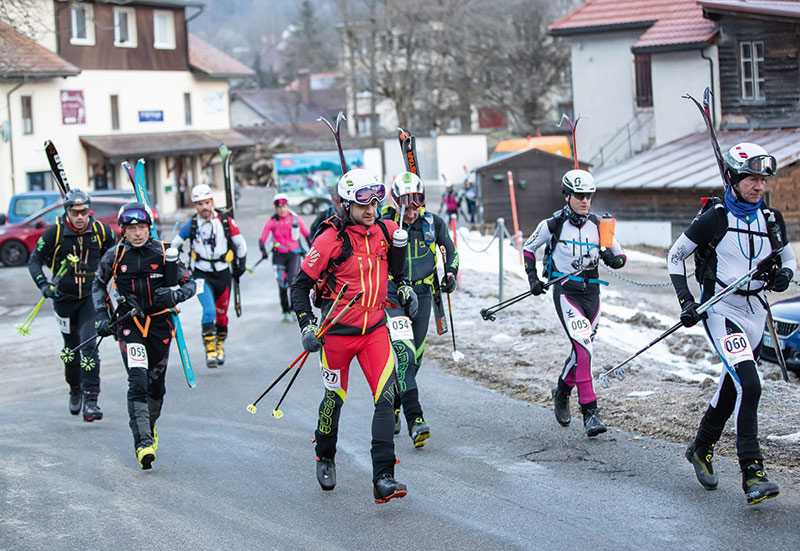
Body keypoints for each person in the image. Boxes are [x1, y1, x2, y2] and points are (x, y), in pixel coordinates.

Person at [666, 142, 795, 505]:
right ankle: (753, 472)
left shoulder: (771, 219)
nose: (759, 186)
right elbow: (675, 256)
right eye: (751, 178)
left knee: (731, 386)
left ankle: (701, 447)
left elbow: (789, 258)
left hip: (756, 312)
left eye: (763, 179)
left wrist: (783, 274)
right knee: (750, 385)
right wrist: (687, 301)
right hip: (721, 311)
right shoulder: (716, 216)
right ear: (733, 179)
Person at [290, 168, 416, 503]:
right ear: (346, 205)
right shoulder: (329, 240)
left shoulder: (388, 231)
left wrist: (404, 287)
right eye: (363, 204)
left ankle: (383, 477)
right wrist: (307, 327)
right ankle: (325, 454)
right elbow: (299, 288)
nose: (371, 209)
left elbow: (398, 270)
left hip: (374, 330)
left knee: (386, 398)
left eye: (375, 201)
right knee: (334, 398)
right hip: (337, 337)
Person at [522, 169, 626, 437]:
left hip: (593, 294)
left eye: (589, 196)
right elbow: (528, 248)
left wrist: (615, 259)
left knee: (582, 349)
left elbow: (620, 253)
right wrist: (533, 278)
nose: (585, 201)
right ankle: (590, 412)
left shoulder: (597, 225)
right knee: (584, 348)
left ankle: (562, 390)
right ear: (566, 195)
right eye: (579, 196)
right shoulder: (553, 224)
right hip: (566, 292)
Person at [93, 202, 196, 470]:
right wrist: (102, 318)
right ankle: (143, 443)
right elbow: (98, 285)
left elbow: (190, 283)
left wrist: (175, 295)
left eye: (142, 227)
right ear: (123, 230)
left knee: (155, 385)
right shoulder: (113, 256)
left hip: (161, 325)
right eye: (131, 228)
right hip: (129, 325)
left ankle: (148, 425)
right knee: (137, 380)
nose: (137, 233)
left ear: (149, 228)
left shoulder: (164, 253)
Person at [382, 171, 459, 448]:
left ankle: (392, 406)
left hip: (424, 294)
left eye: (417, 202)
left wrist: (450, 273)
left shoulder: (432, 222)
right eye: (406, 202)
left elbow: (451, 250)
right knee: (403, 354)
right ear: (395, 200)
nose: (411, 209)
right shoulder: (384, 224)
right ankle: (416, 420)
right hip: (394, 296)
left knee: (414, 361)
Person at [28, 189, 116, 421]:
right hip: (64, 301)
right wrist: (43, 285)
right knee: (70, 352)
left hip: (90, 299)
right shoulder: (53, 234)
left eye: (84, 211)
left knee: (89, 347)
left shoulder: (101, 231)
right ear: (67, 211)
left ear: (89, 210)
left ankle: (91, 400)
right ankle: (74, 388)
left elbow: (114, 256)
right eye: (75, 212)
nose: (79, 216)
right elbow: (34, 260)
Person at [172, 184, 247, 368]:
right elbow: (174, 245)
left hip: (222, 274)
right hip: (201, 274)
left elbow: (240, 244)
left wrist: (241, 265)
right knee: (209, 311)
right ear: (194, 205)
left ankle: (219, 344)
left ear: (212, 201)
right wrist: (174, 263)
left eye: (206, 202)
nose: (203, 207)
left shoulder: (225, 222)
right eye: (199, 204)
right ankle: (210, 350)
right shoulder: (191, 224)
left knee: (221, 317)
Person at [259, 193, 310, 321]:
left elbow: (307, 235)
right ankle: (285, 311)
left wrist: (312, 251)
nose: (282, 210)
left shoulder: (295, 219)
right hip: (278, 256)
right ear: (276, 208)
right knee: (282, 284)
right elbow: (262, 238)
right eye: (279, 207)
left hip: (294, 255)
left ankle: (294, 309)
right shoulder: (272, 220)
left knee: (293, 283)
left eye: (284, 206)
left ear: (288, 206)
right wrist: (263, 250)